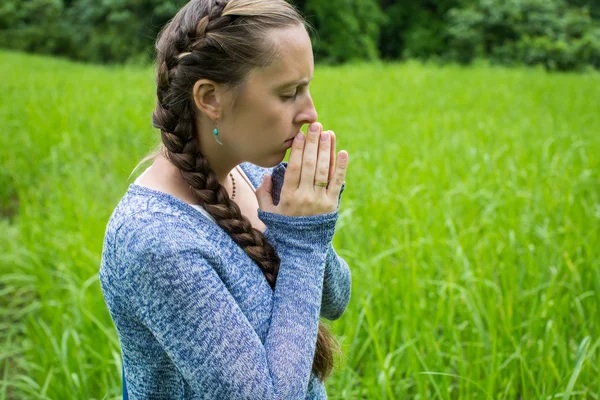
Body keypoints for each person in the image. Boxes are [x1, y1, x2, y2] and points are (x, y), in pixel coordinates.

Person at [99, 0, 351, 398]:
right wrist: (302, 243)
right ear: (210, 98)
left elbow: (335, 300)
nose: (311, 114)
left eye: (308, 88)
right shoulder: (155, 240)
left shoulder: (250, 175)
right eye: (289, 94)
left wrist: (309, 224)